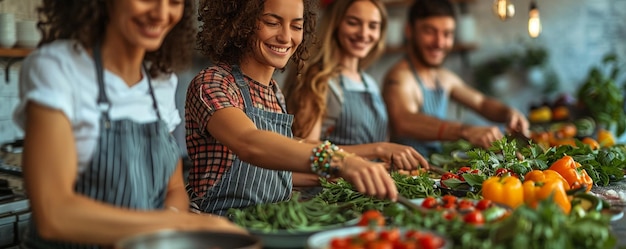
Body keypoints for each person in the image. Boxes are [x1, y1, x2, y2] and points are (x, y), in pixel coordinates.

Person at [13, 0, 245, 248]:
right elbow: (54, 214)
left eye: (174, 2)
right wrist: (183, 225)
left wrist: (170, 225)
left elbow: (175, 187)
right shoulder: (58, 69)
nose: (161, 14)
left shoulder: (160, 82)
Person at [186, 0, 407, 216]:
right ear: (240, 22)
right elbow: (249, 143)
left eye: (296, 26)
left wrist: (355, 165)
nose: (285, 37)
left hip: (270, 225)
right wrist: (339, 161)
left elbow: (282, 163)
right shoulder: (212, 83)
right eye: (272, 23)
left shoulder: (274, 92)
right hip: (219, 231)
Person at [283, 0, 429, 186]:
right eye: (353, 23)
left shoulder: (369, 82)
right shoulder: (316, 80)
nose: (364, 33)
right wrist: (378, 149)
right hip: (330, 196)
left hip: (369, 190)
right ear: (335, 24)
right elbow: (304, 150)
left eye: (373, 26)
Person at [382, 0, 529, 157]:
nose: (439, 42)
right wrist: (465, 131)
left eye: (447, 34)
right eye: (430, 32)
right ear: (409, 31)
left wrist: (509, 113)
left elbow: (481, 103)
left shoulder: (442, 77)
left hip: (435, 170)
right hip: (407, 177)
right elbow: (403, 121)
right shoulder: (400, 77)